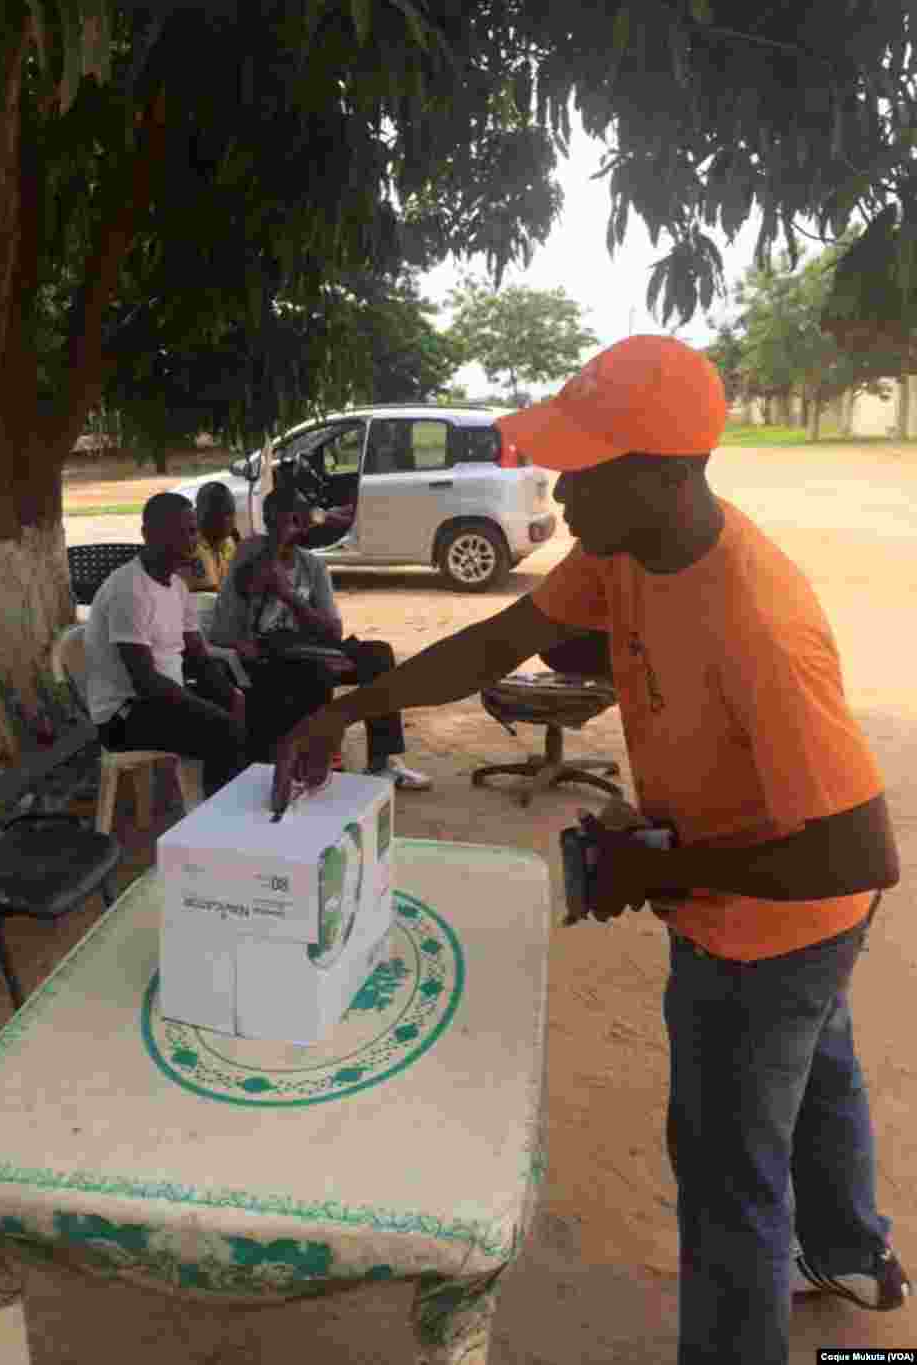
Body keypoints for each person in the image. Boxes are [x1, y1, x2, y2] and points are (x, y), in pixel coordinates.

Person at [275, 335, 908, 1364]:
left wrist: (661, 867)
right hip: (783, 913)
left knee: (727, 1177)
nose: (557, 488)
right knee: (816, 1071)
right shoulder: (625, 546)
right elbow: (496, 642)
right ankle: (851, 1255)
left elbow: (857, 855)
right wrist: (349, 708)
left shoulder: (756, 619)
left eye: (581, 468)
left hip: (767, 931)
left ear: (663, 477)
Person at [209, 486, 430, 789]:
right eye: (290, 520)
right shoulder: (250, 554)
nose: (298, 527)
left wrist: (290, 596)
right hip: (270, 656)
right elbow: (222, 629)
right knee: (317, 671)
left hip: (310, 648)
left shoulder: (311, 566)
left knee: (377, 655)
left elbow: (332, 631)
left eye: (301, 520)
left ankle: (382, 762)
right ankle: (320, 760)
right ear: (271, 520)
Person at [84, 492, 247, 799]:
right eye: (181, 532)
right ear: (149, 535)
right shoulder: (129, 589)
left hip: (163, 698)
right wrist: (207, 707)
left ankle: (232, 805)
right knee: (222, 730)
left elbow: (198, 656)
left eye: (192, 530)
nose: (191, 539)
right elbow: (145, 682)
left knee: (245, 706)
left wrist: (230, 694)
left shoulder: (178, 587)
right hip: (124, 716)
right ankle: (217, 822)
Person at [180, 481, 240, 592]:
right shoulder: (193, 548)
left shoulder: (228, 542)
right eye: (217, 512)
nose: (226, 519)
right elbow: (211, 599)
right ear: (197, 513)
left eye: (229, 512)